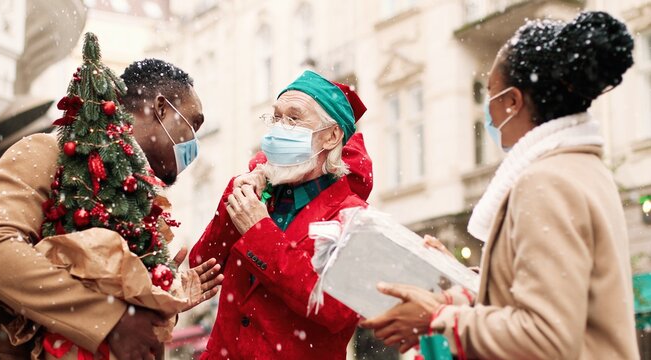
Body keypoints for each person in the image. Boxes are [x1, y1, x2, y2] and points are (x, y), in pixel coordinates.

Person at [362, 11, 640, 360]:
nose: (489, 112)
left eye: (489, 92)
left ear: (512, 101)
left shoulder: (546, 183)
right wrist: (460, 279)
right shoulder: (578, 169)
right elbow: (547, 300)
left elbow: (547, 337)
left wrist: (436, 318)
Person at [0, 59, 223, 360]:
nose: (193, 144)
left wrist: (163, 297)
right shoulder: (47, 153)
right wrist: (110, 320)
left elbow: (130, 329)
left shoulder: (142, 206)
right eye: (193, 125)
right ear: (161, 108)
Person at [189, 70, 373, 359]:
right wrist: (233, 201)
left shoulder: (353, 216)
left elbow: (338, 310)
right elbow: (202, 264)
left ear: (332, 136)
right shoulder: (258, 193)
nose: (278, 128)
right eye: (276, 117)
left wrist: (259, 232)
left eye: (294, 118)